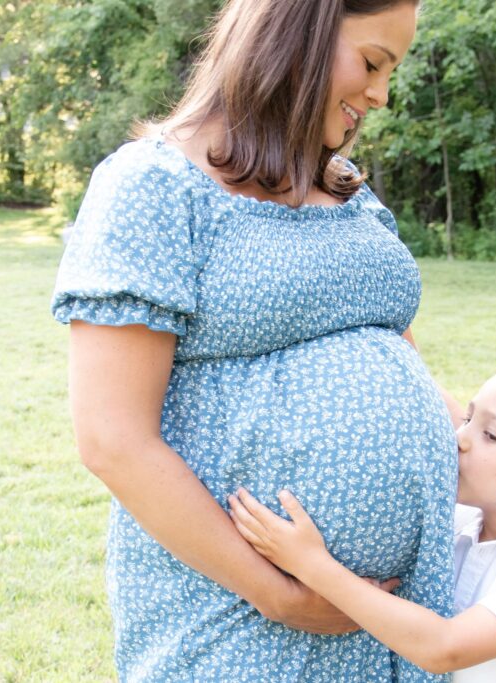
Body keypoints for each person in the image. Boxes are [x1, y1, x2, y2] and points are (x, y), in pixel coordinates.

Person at [51, 0, 459, 681]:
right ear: (301, 30)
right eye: (372, 62)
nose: (382, 95)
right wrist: (282, 594)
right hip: (239, 617)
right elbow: (113, 440)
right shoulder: (153, 186)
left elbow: (395, 354)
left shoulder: (350, 194)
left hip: (396, 614)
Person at [230, 360, 496, 682]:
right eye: (468, 418)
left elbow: (444, 647)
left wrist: (311, 564)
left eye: (490, 435)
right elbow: (426, 387)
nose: (458, 437)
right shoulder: (467, 518)